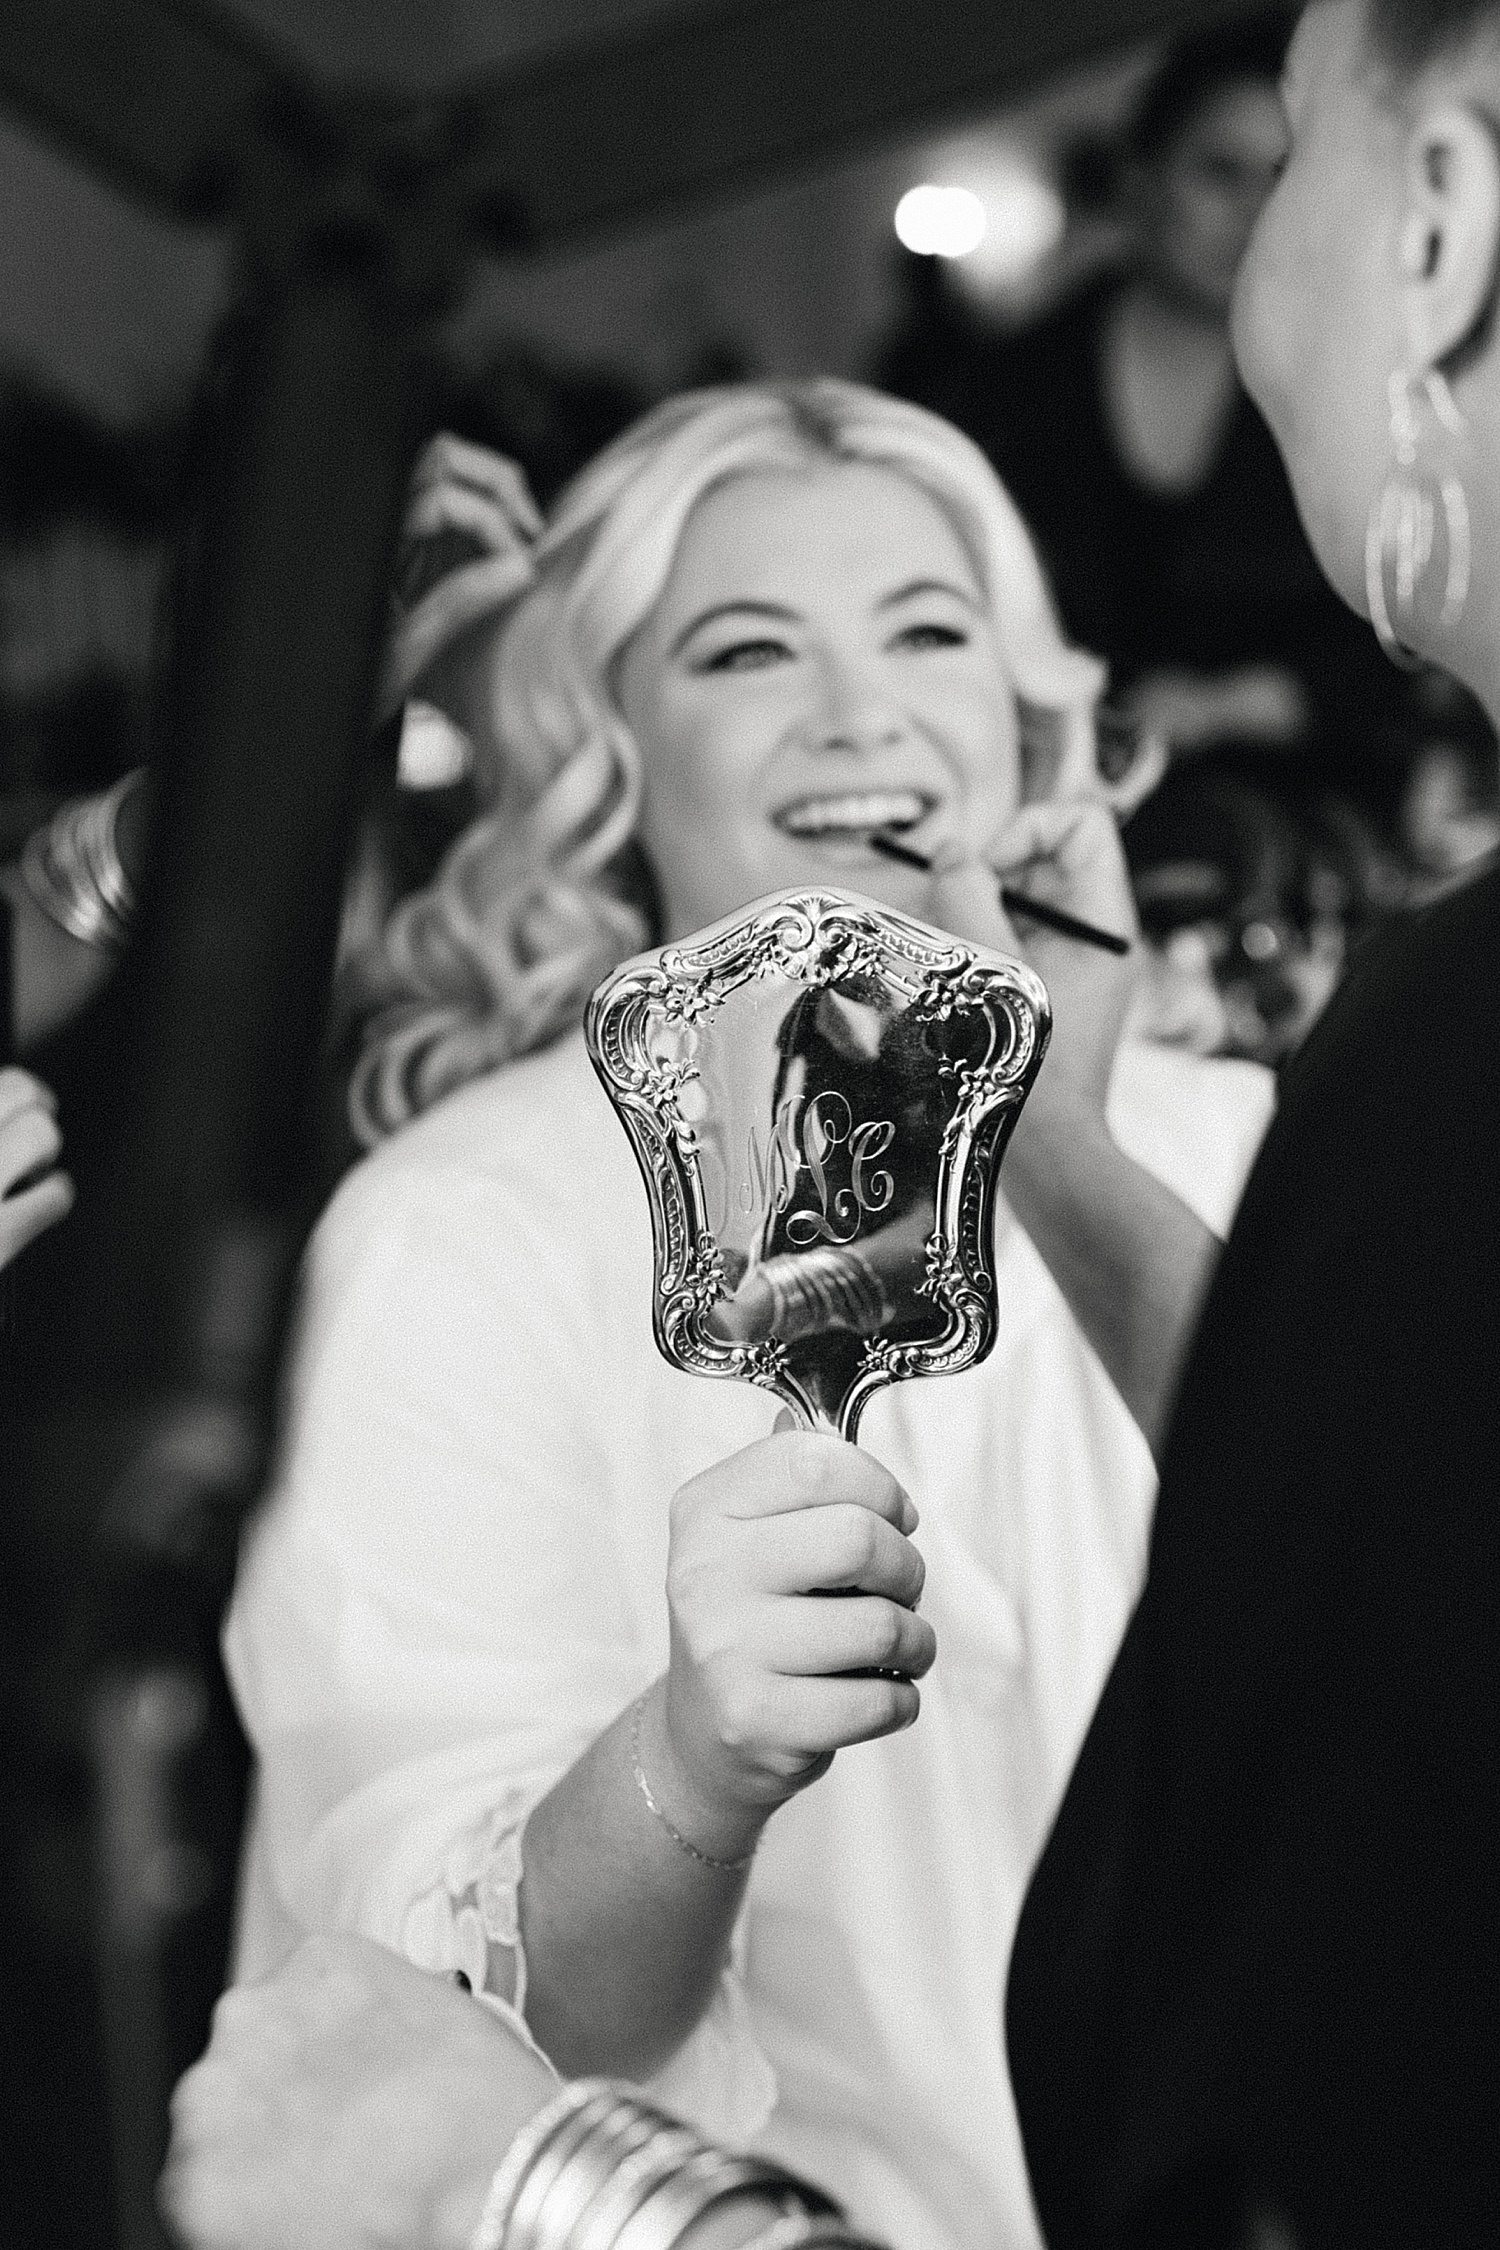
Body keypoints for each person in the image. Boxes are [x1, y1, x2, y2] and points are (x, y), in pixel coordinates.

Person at [221, 380, 1272, 2250]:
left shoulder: (1244, 1148)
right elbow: (458, 2037)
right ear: (609, 737)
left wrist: (1067, 1154)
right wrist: (693, 1758)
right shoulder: (461, 1235)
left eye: (930, 633)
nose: (862, 714)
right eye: (747, 648)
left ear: (1027, 712)